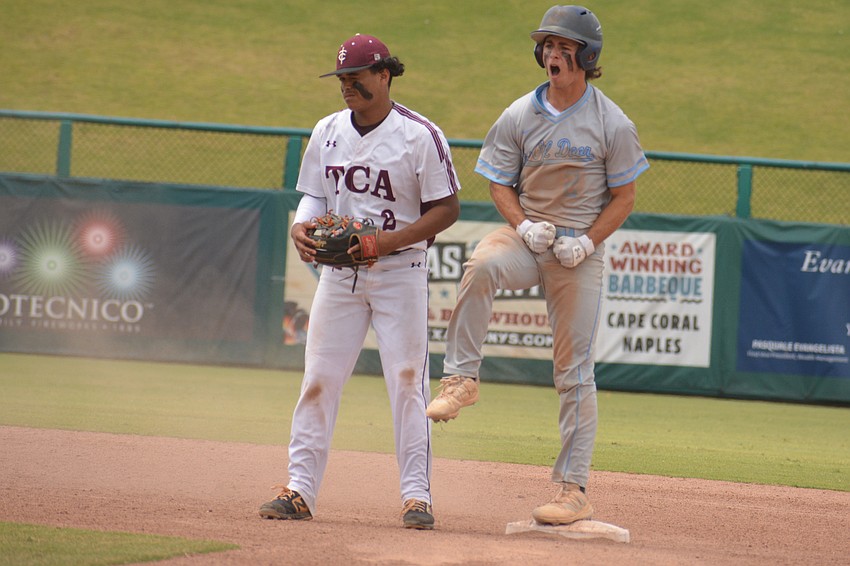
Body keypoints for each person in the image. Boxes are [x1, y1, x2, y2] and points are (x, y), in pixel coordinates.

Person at [425, 5, 648, 525]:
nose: (552, 53)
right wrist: (524, 225)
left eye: (564, 46)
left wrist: (588, 243)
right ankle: (461, 379)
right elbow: (499, 181)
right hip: (530, 235)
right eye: (547, 44)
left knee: (574, 373)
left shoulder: (612, 122)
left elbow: (625, 197)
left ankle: (572, 491)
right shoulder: (519, 114)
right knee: (481, 263)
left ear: (587, 57)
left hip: (578, 252)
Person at [259, 33, 461, 530]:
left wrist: (387, 243)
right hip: (339, 277)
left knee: (408, 384)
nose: (347, 87)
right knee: (318, 381)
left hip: (401, 274)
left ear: (385, 75)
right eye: (342, 80)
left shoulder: (420, 136)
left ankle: (417, 497)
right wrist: (299, 225)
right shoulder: (327, 130)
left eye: (357, 78)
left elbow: (447, 209)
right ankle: (299, 490)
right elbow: (314, 196)